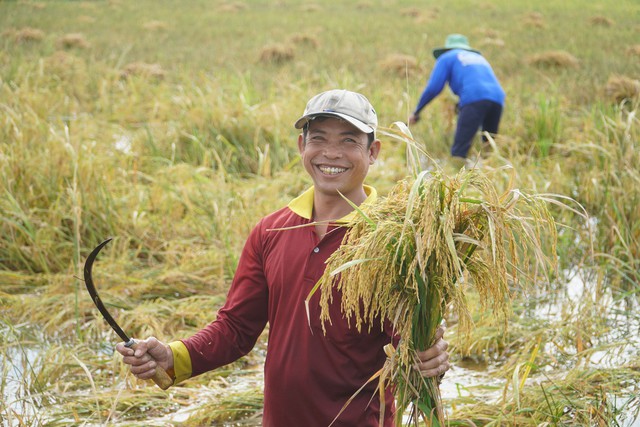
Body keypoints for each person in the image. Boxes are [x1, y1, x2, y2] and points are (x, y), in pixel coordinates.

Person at [116, 89, 450, 427]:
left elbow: (410, 341)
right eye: (318, 138)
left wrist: (427, 355)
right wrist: (173, 356)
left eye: (349, 141)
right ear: (301, 146)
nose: (331, 153)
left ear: (373, 152)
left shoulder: (394, 239)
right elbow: (235, 328)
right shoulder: (271, 231)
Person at [409, 34, 505, 165]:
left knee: (459, 150)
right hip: (498, 98)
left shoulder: (446, 57)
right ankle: (491, 174)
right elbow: (480, 83)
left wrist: (416, 112)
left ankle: (456, 177)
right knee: (488, 144)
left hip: (473, 97)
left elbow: (434, 88)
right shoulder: (479, 58)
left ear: (448, 49)